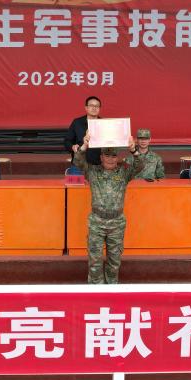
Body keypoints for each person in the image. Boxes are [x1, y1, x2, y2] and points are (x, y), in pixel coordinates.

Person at [74, 132, 145, 284]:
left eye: (113, 156)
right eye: (107, 156)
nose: (110, 159)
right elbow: (78, 162)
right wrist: (84, 146)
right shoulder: (92, 171)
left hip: (116, 223)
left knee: (114, 262)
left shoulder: (124, 172)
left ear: (117, 158)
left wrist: (133, 150)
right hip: (97, 223)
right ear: (101, 157)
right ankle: (96, 291)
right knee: (95, 262)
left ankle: (111, 291)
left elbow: (140, 166)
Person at [64, 96, 102, 170]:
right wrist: (72, 146)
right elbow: (67, 141)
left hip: (99, 165)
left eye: (97, 106)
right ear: (86, 108)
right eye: (91, 105)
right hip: (79, 164)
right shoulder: (77, 123)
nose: (94, 108)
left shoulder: (104, 124)